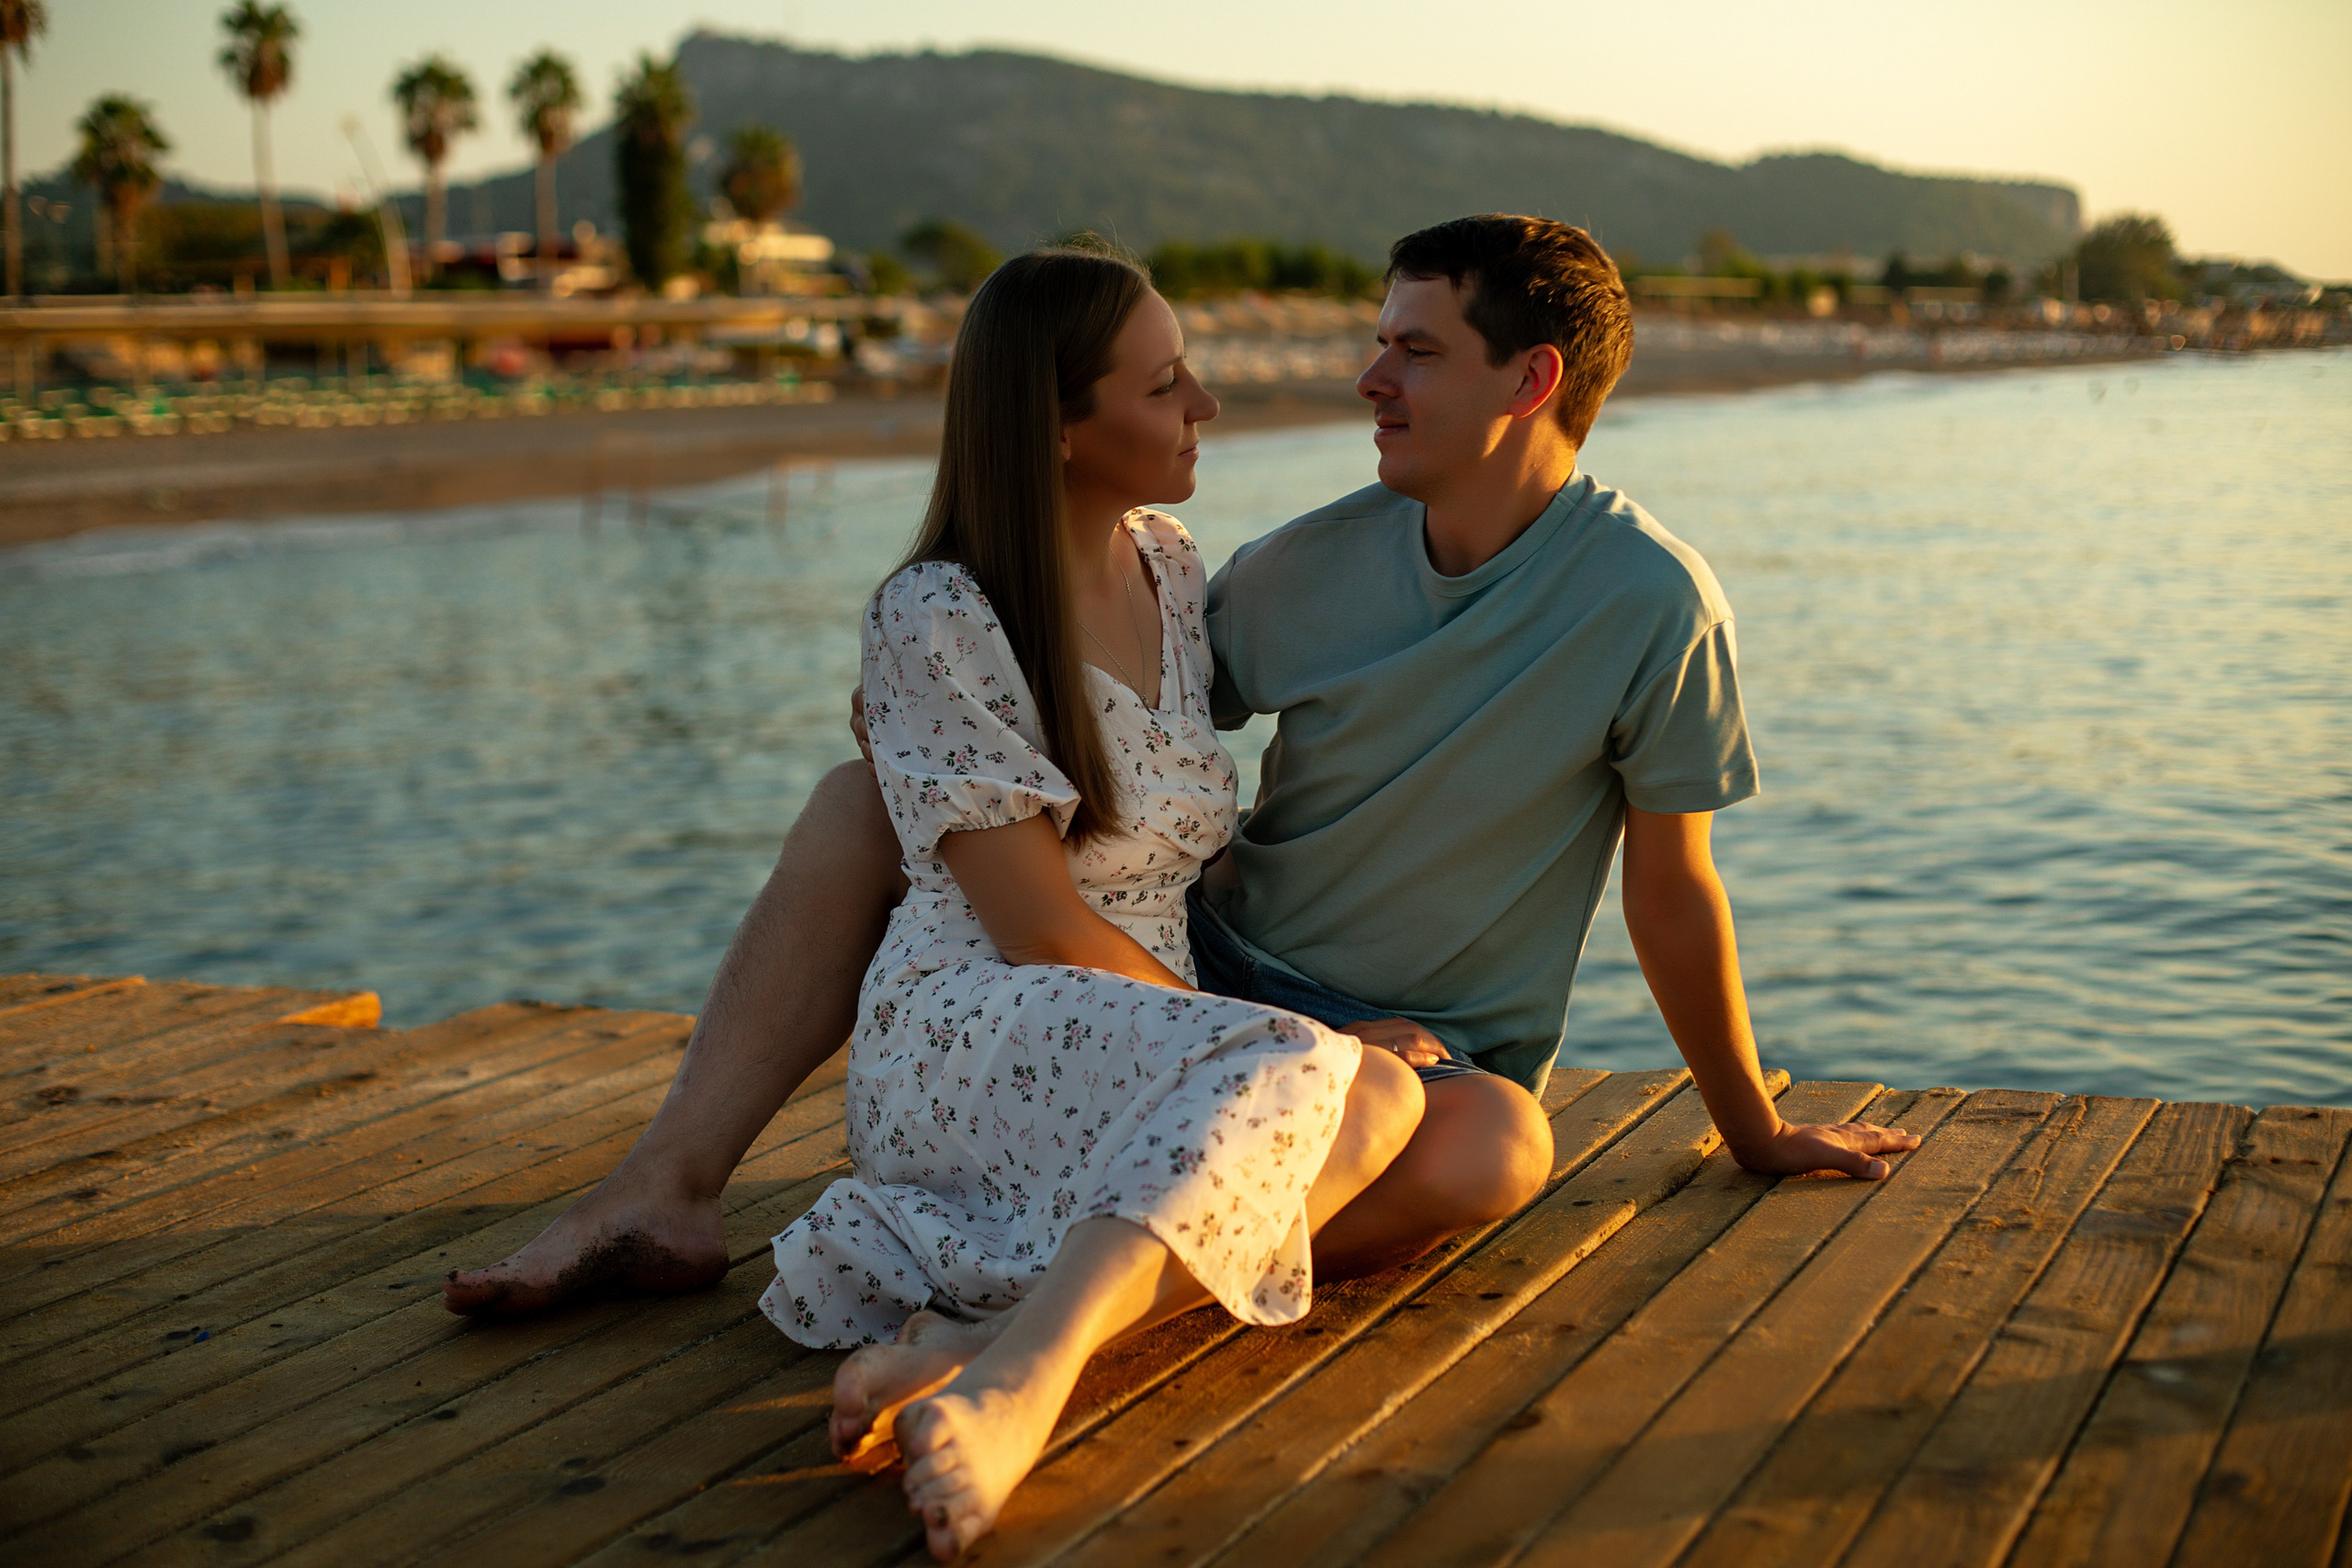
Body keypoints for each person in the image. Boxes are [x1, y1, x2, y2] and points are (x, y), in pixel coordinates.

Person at [446, 215, 1917, 1540]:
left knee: (1505, 1149)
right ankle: (679, 1193)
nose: (1362, 378)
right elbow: (1034, 753)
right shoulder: (1287, 574)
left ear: (1529, 383)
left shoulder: (1623, 603)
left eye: (1411, 348)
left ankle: (992, 1343)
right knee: (860, 801)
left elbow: (1673, 891)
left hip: (1341, 1023)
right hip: (1194, 986)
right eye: (1375, 339)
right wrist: (904, 710)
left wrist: (1755, 1125)